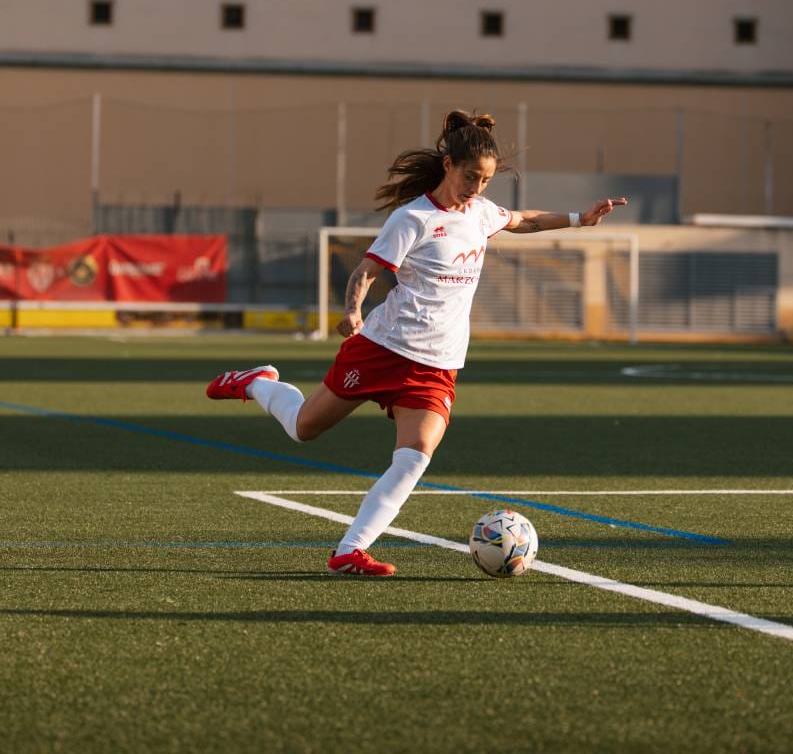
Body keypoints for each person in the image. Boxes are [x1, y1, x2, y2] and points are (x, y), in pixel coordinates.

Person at [206, 110, 627, 575]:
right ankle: (258, 383)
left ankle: (349, 550)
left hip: (437, 365)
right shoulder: (414, 219)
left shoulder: (481, 213)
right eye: (471, 176)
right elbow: (367, 270)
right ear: (448, 165)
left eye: (486, 181)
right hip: (384, 348)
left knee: (414, 458)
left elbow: (522, 220)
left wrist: (578, 219)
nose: (477, 188)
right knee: (304, 428)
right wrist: (352, 311)